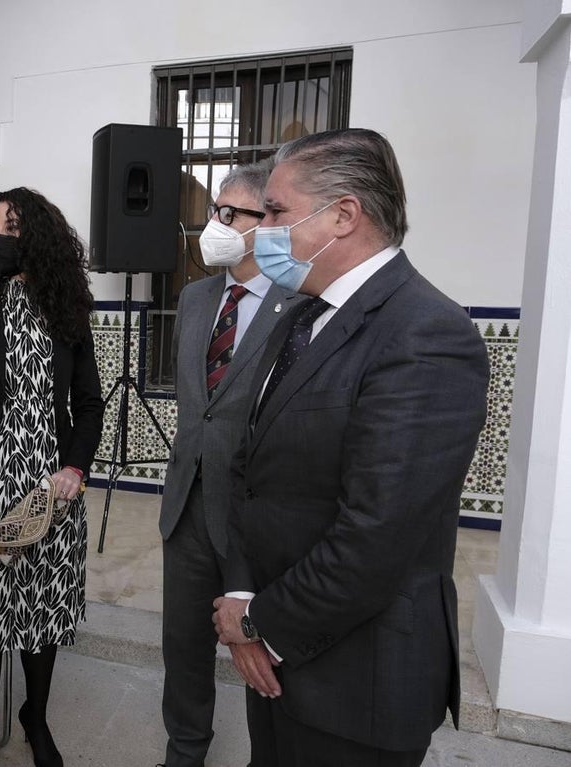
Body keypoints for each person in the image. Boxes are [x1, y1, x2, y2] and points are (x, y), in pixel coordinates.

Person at [212, 128, 490, 767]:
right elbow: (247, 467)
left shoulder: (426, 335)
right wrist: (242, 595)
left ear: (343, 216)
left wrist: (260, 624)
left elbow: (377, 536)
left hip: (356, 685)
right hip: (277, 664)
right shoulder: (301, 311)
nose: (265, 230)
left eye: (277, 212)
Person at [0, 188, 105, 767]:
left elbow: (89, 402)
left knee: (39, 617)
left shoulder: (69, 307)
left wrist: (76, 468)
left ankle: (36, 717)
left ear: (39, 235)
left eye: (8, 226)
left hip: (50, 492)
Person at [158, 160, 296, 767]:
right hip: (187, 504)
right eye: (214, 210)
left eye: (228, 214)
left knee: (264, 649)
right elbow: (201, 409)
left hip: (257, 511)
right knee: (183, 647)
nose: (213, 224)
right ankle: (185, 751)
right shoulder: (195, 298)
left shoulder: (298, 306)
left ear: (267, 224)